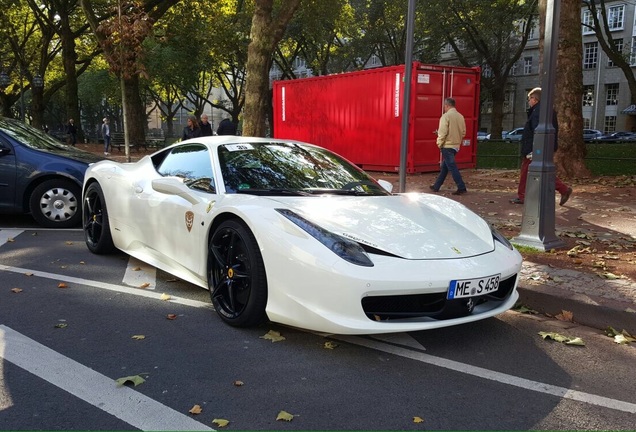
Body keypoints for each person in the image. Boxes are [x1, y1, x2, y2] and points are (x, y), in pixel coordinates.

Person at [510, 87, 572, 206]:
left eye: (530, 98)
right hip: (542, 147)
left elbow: (536, 131)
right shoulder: (546, 111)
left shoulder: (538, 112)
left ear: (535, 99)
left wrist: (533, 149)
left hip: (534, 148)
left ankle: (522, 195)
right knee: (542, 171)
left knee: (526, 172)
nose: (529, 101)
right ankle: (563, 189)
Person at [430, 97, 467, 195]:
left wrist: (439, 142)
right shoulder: (460, 116)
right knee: (445, 167)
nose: (444, 108)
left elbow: (443, 132)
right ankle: (436, 186)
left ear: (446, 105)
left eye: (444, 106)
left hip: (447, 145)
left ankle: (461, 186)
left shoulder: (445, 116)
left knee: (452, 167)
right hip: (456, 145)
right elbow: (463, 132)